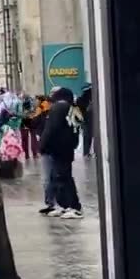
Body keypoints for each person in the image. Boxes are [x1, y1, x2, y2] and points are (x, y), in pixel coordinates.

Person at [39, 86, 83, 219]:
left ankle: (73, 206)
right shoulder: (72, 108)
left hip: (58, 148)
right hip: (67, 148)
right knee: (60, 176)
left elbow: (51, 128)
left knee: (62, 177)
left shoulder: (58, 108)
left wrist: (43, 145)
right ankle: (64, 205)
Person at [76, 84, 94, 158]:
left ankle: (87, 152)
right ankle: (86, 153)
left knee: (88, 136)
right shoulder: (81, 100)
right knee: (87, 136)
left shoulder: (89, 99)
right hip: (85, 120)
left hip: (88, 120)